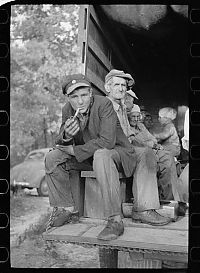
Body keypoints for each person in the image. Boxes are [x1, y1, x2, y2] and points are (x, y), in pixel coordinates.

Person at [44, 73, 137, 241]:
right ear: (68, 98)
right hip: (90, 158)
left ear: (90, 93)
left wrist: (74, 150)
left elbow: (107, 142)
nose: (80, 102)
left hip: (117, 155)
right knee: (52, 157)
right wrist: (66, 135)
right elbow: (60, 140)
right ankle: (65, 208)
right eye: (74, 97)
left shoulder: (104, 104)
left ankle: (115, 220)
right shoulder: (67, 109)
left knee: (101, 155)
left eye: (84, 95)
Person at [104, 69, 179, 225]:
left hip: (127, 148)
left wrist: (153, 144)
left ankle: (168, 203)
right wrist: (149, 145)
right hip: (113, 152)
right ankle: (145, 208)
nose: (121, 89)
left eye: (123, 85)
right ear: (107, 87)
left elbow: (132, 134)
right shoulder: (105, 106)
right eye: (117, 85)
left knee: (165, 156)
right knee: (149, 154)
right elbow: (120, 138)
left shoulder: (122, 109)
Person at [127, 104, 182, 201]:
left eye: (137, 116)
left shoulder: (141, 126)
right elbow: (135, 141)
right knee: (158, 159)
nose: (136, 119)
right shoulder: (127, 127)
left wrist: (153, 143)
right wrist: (152, 144)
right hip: (139, 153)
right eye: (133, 116)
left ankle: (170, 199)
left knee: (168, 157)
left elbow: (152, 138)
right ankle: (155, 199)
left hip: (152, 151)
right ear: (127, 117)